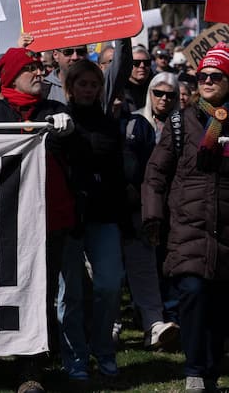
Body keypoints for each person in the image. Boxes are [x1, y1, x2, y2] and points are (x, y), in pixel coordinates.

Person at [0, 47, 75, 392]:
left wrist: (67, 132)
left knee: (39, 292)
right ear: (11, 76)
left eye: (39, 68)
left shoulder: (54, 111)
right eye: (30, 69)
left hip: (47, 218)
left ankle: (32, 367)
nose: (39, 74)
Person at [143, 43, 229, 393]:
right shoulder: (182, 121)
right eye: (202, 76)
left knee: (220, 308)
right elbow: (156, 174)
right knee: (192, 294)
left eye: (216, 76)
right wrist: (153, 217)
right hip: (187, 227)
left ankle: (210, 370)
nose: (207, 81)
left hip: (224, 232)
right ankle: (194, 370)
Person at [56, 58, 128, 382]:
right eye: (82, 84)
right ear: (70, 88)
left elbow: (117, 171)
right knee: (70, 293)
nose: (88, 89)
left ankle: (103, 349)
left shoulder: (110, 123)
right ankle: (75, 358)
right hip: (70, 217)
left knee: (110, 285)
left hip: (104, 215)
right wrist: (57, 133)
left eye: (94, 84)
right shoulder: (58, 121)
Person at [122, 71, 181, 350]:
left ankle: (170, 321)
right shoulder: (136, 123)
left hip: (176, 206)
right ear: (149, 94)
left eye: (170, 94)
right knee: (145, 265)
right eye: (158, 93)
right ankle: (151, 322)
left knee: (170, 263)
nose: (164, 99)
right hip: (142, 206)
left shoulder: (184, 124)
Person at [124, 45, 153, 111]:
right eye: (136, 63)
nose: (142, 66)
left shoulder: (156, 87)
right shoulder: (120, 90)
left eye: (146, 63)